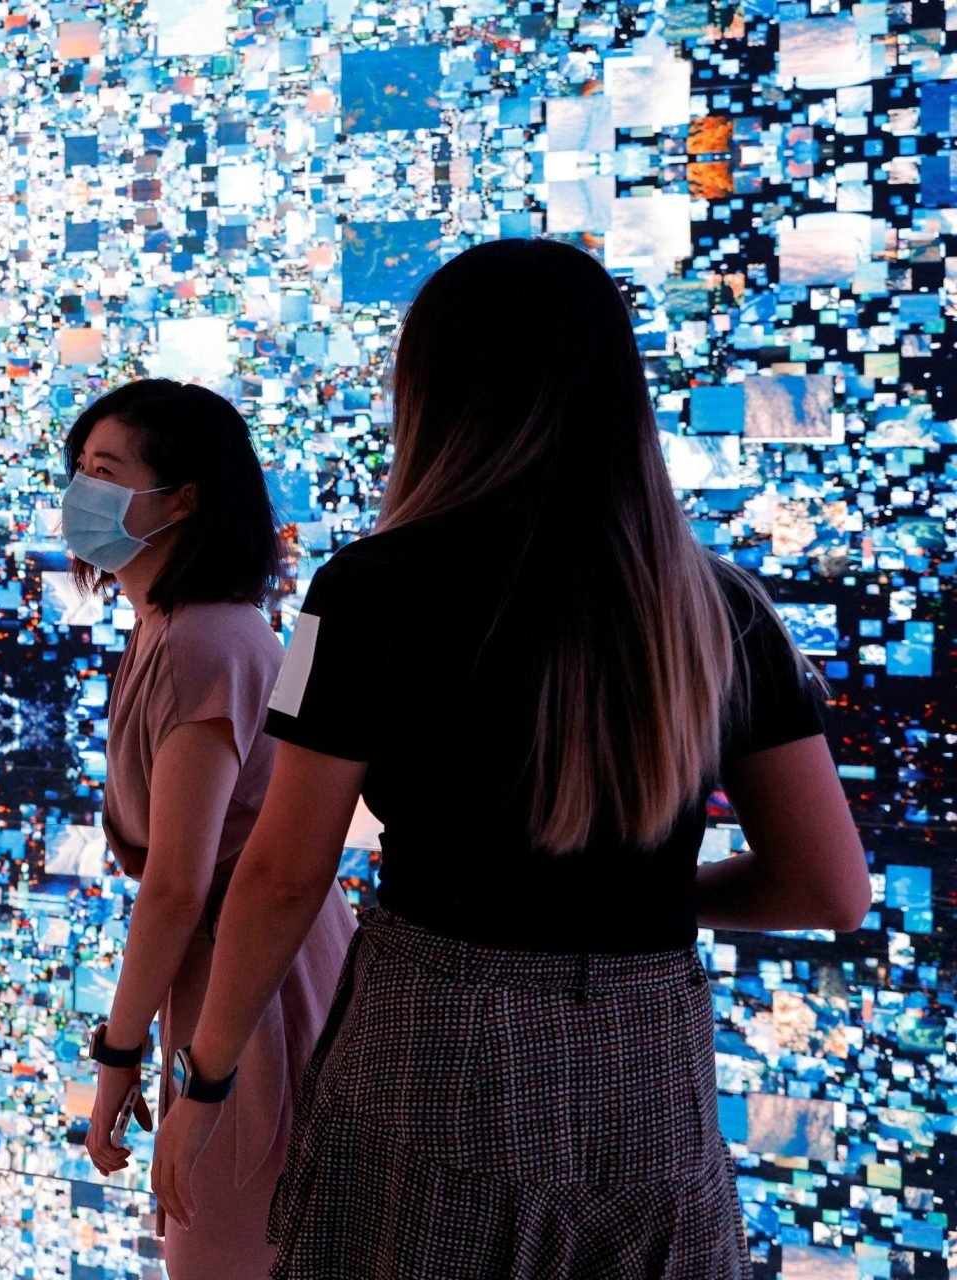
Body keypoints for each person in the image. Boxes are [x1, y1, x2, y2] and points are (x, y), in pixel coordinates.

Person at [148, 239, 870, 1277]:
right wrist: (641, 896)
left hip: (435, 1050)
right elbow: (831, 885)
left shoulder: (364, 592)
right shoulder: (719, 606)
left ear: (433, 393)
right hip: (652, 1065)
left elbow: (282, 872)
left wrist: (203, 1079)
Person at [62, 379, 355, 1277]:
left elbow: (178, 885)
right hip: (231, 978)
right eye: (78, 471)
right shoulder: (166, 628)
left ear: (183, 498)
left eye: (106, 473)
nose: (81, 495)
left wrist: (117, 1052)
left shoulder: (203, 644)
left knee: (227, 1238)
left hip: (250, 992)